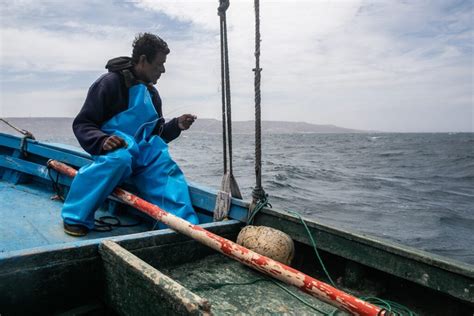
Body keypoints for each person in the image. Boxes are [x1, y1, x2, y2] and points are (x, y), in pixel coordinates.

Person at [61, 33, 199, 236]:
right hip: (115, 150)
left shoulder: (152, 94)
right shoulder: (109, 83)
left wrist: (176, 125)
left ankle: (182, 227)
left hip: (143, 154)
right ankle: (75, 217)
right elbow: (84, 123)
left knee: (163, 165)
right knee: (121, 158)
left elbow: (157, 133)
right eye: (159, 64)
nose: (163, 70)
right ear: (143, 60)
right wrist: (102, 140)